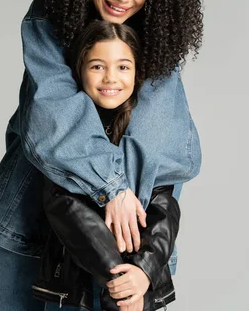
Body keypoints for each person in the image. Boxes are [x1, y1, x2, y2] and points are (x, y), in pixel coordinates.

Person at [0, 0, 203, 310]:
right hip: (30, 227)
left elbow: (160, 143)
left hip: (129, 241)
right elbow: (55, 122)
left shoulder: (160, 38)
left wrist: (141, 262)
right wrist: (111, 188)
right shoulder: (49, 21)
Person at [33, 21, 181, 311]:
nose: (110, 78)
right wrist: (122, 286)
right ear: (80, 70)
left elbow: (165, 204)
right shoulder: (70, 130)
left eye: (123, 67)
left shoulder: (149, 131)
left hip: (140, 286)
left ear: (137, 73)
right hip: (83, 289)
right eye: (97, 66)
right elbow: (62, 202)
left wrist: (143, 272)